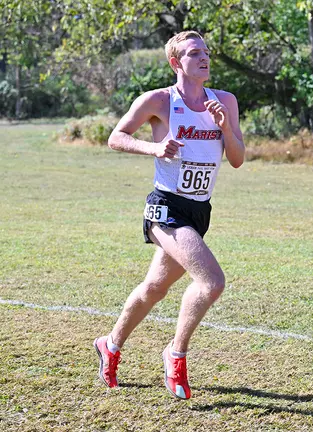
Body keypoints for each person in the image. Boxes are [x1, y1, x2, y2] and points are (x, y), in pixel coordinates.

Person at [92, 30, 245, 400]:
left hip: (199, 209)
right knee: (211, 283)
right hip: (165, 207)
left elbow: (238, 159)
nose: (204, 57)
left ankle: (109, 345)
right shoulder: (160, 100)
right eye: (195, 53)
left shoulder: (224, 101)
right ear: (177, 63)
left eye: (206, 52)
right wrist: (155, 147)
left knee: (155, 288)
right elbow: (116, 137)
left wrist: (225, 125)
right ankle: (175, 354)